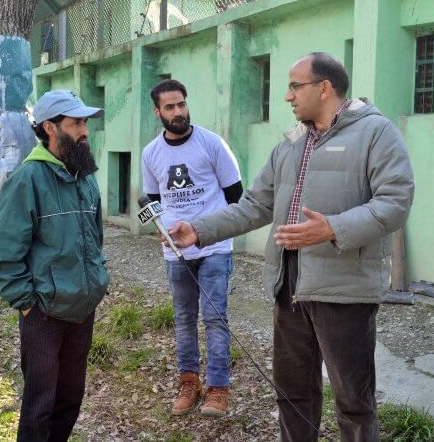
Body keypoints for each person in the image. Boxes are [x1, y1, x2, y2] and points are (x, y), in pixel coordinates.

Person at [167, 53, 415, 441]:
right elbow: (255, 205)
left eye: (295, 86)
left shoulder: (376, 133)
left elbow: (395, 202)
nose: (287, 96)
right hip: (289, 286)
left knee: (353, 400)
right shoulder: (292, 143)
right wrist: (199, 230)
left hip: (344, 288)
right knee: (293, 393)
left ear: (324, 88)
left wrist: (331, 228)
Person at [0, 90, 110, 442]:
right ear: (50, 128)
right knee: (40, 405)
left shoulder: (84, 176)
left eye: (85, 122)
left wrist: (97, 278)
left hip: (82, 309)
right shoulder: (28, 179)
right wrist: (26, 301)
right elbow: (2, 252)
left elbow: (95, 237)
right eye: (76, 123)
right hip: (43, 314)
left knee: (70, 398)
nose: (85, 130)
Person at [142, 79, 243, 417]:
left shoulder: (212, 144)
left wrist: (208, 229)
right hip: (176, 253)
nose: (178, 111)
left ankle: (218, 388)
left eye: (181, 104)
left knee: (215, 318)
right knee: (184, 319)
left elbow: (235, 196)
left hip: (214, 248)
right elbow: (154, 201)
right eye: (170, 107)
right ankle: (189, 382)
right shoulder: (151, 153)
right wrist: (161, 230)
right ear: (158, 112)